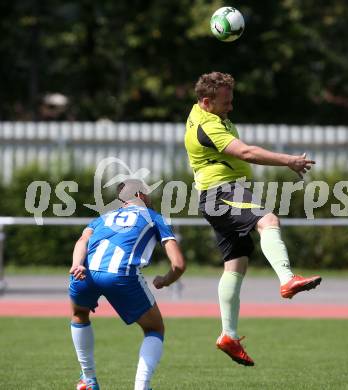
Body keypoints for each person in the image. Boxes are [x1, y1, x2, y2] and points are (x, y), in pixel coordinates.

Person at [184, 71, 321, 367]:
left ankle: (228, 336)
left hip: (216, 194)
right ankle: (287, 280)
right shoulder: (208, 125)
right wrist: (289, 160)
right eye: (225, 102)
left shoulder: (207, 114)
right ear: (206, 102)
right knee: (268, 220)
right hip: (222, 192)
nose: (230, 106)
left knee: (236, 264)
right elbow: (245, 152)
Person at [69, 178, 186, 390]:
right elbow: (178, 264)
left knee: (79, 315)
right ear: (141, 195)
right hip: (120, 275)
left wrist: (77, 264)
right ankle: (142, 387)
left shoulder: (102, 218)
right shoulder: (154, 217)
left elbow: (82, 241)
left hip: (84, 274)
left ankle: (88, 379)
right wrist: (166, 280)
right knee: (154, 328)